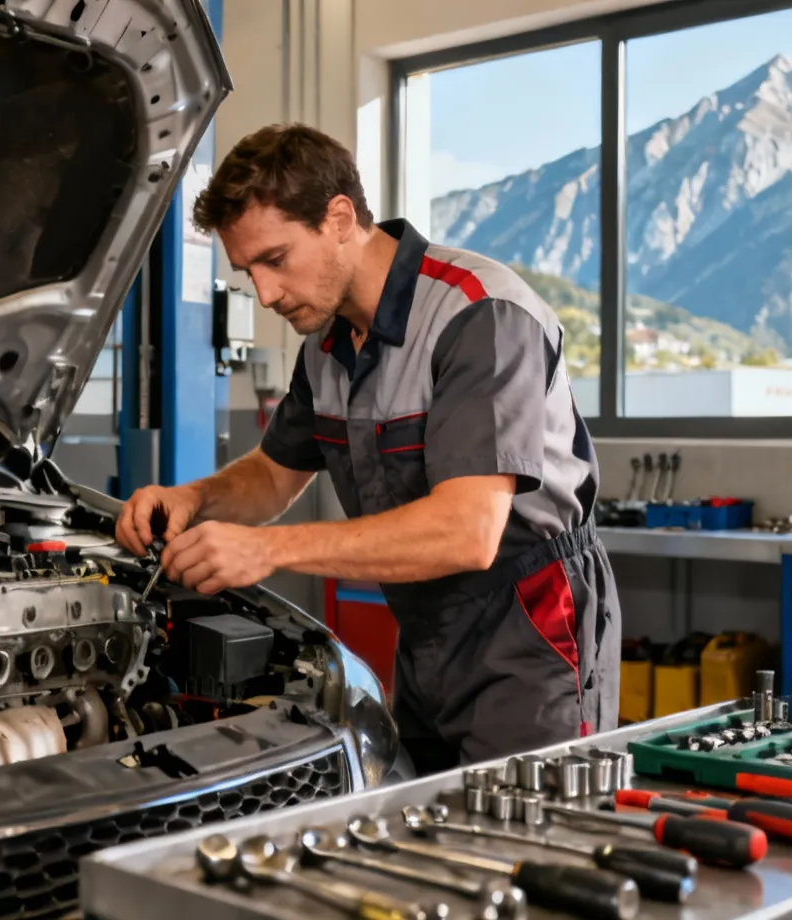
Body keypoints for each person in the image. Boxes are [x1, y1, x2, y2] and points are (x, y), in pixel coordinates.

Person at [115, 122, 619, 773]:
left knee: (528, 839)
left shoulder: (478, 315)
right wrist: (194, 498)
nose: (264, 294)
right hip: (426, 634)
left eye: (275, 260)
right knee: (427, 829)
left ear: (340, 217)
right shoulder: (326, 345)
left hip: (528, 629)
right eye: (248, 273)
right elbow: (272, 475)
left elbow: (467, 532)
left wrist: (266, 550)